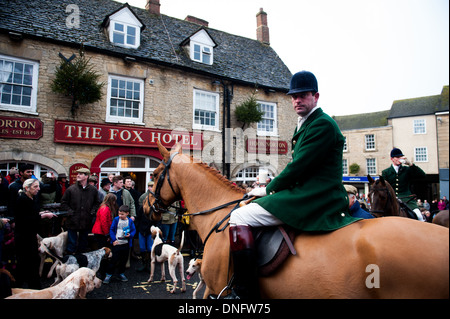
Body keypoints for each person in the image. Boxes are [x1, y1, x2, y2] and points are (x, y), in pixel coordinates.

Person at [226, 71, 361, 299]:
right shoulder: (308, 124)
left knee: (239, 217)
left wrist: (268, 188)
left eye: (303, 95)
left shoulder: (323, 125)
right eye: (293, 96)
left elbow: (298, 167)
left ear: (315, 96)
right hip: (305, 192)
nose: (297, 100)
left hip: (314, 196)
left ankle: (244, 292)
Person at [14, 179, 56, 288]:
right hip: (24, 236)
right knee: (26, 262)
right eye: (35, 187)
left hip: (30, 235)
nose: (38, 189)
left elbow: (32, 213)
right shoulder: (22, 199)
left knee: (31, 261)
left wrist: (43, 212)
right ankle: (26, 287)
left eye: (38, 186)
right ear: (27, 188)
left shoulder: (30, 198)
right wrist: (44, 216)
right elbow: (25, 219)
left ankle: (30, 285)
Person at [61, 168, 101, 254]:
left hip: (86, 221)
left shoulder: (93, 190)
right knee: (71, 244)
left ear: (86, 176)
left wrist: (92, 212)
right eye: (77, 173)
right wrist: (70, 212)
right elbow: (63, 203)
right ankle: (70, 262)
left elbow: (97, 203)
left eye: (80, 174)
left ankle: (81, 262)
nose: (78, 175)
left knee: (83, 244)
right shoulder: (71, 189)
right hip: (72, 221)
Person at [381, 148, 426, 221]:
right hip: (392, 200)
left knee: (419, 216)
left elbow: (422, 175)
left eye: (401, 157)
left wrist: (411, 164)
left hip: (407, 199)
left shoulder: (407, 169)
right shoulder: (386, 172)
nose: (400, 159)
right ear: (392, 159)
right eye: (397, 157)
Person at [104, 205, 136, 284]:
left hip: (125, 244)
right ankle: (109, 274)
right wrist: (114, 240)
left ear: (127, 213)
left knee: (123, 260)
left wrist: (130, 235)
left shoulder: (130, 221)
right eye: (119, 214)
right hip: (117, 243)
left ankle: (121, 273)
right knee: (114, 259)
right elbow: (111, 230)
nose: (120, 216)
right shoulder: (116, 220)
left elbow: (133, 230)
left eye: (122, 214)